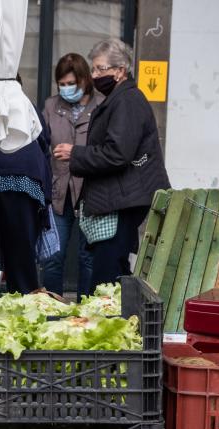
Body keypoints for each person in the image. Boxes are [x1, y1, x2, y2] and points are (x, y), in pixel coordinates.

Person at [52, 38, 170, 293]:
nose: (94, 75)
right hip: (121, 198)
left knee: (106, 279)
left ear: (120, 70)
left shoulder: (127, 100)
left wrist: (76, 154)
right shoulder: (120, 98)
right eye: (94, 70)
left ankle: (110, 325)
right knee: (112, 274)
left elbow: (118, 153)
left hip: (122, 200)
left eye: (100, 69)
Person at [41, 53, 102, 299]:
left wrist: (77, 153)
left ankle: (86, 308)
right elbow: (43, 144)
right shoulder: (51, 106)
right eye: (62, 84)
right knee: (54, 255)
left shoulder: (101, 104)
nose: (66, 89)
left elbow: (106, 149)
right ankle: (53, 308)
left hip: (91, 189)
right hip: (59, 190)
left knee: (88, 256)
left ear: (85, 80)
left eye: (71, 84)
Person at [0, 75, 55, 293]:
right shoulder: (27, 106)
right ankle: (25, 305)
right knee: (22, 260)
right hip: (26, 186)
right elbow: (44, 142)